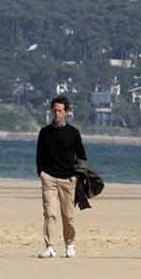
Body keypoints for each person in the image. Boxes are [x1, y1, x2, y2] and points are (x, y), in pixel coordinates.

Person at [34, 95, 86, 258]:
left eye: (60, 111)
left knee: (68, 216)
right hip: (48, 178)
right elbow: (39, 155)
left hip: (67, 179)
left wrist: (78, 176)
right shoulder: (45, 132)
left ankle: (69, 243)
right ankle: (50, 246)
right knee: (50, 213)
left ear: (66, 112)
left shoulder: (73, 133)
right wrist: (41, 173)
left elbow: (81, 156)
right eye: (55, 110)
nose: (57, 114)